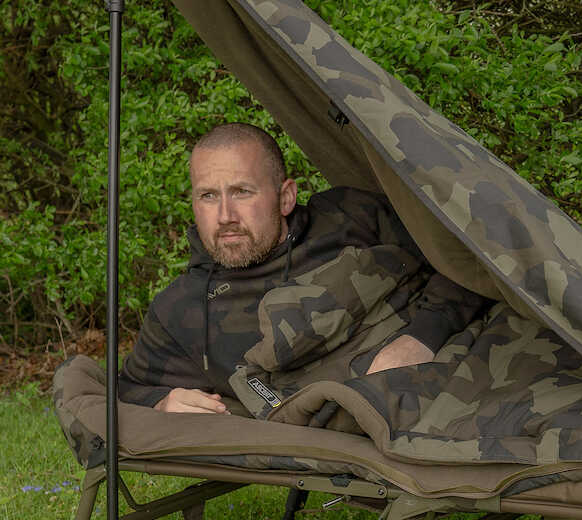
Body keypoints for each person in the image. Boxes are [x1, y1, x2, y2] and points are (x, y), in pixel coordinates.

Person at [118, 122, 488, 414]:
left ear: (285, 197)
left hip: (468, 358)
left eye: (242, 192)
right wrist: (161, 403)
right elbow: (128, 389)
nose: (225, 216)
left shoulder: (349, 216)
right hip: (374, 425)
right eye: (208, 196)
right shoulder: (182, 308)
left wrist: (421, 338)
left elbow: (465, 254)